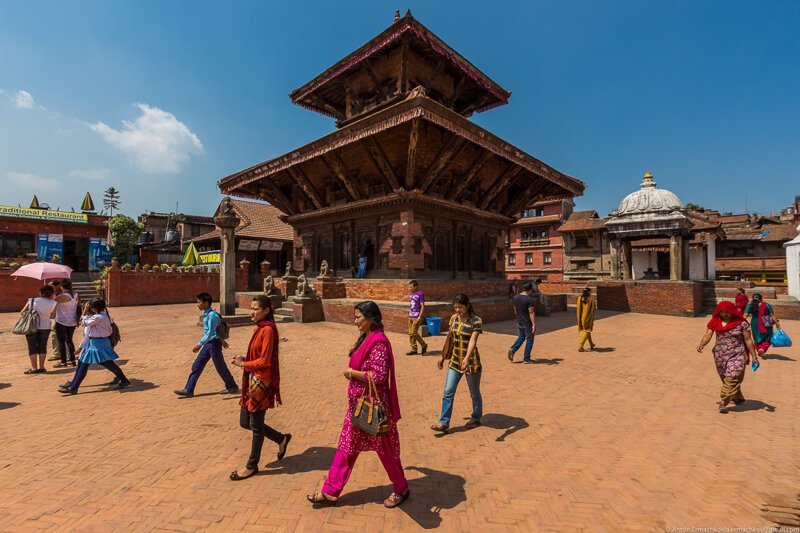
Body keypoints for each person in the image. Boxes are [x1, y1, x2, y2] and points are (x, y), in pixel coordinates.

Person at [307, 301, 408, 508]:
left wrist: (352, 374)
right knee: (346, 447)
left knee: (386, 451)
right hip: (358, 407)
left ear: (371, 318)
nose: (355, 322)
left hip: (373, 408)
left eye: (358, 317)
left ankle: (401, 487)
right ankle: (331, 491)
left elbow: (379, 376)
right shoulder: (366, 338)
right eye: (354, 317)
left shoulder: (378, 342)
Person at [229, 295, 291, 480]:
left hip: (261, 382)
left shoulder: (268, 330)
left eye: (255, 308)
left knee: (255, 426)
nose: (252, 312)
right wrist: (244, 360)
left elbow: (264, 361)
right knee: (245, 422)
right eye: (251, 308)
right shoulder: (260, 328)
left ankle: (251, 466)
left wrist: (243, 364)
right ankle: (281, 439)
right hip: (251, 379)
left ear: (266, 310)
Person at [431, 294, 483, 433]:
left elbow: (473, 341)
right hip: (454, 361)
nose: (457, 310)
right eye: (455, 307)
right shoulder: (454, 319)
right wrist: (443, 357)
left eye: (460, 307)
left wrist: (466, 358)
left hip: (471, 362)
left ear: (467, 306)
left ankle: (476, 417)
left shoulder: (476, 321)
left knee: (474, 393)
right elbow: (450, 338)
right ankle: (444, 423)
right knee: (448, 391)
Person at [58, 298, 131, 394]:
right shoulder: (106, 316)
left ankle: (74, 387)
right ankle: (73, 385)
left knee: (85, 363)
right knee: (98, 363)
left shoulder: (97, 317)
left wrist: (84, 311)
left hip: (97, 343)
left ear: (94, 308)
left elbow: (83, 322)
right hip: (101, 342)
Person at [697, 301, 758, 413]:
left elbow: (748, 340)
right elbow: (708, 334)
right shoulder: (715, 321)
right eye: (722, 312)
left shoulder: (742, 323)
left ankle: (723, 401)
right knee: (725, 377)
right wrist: (702, 344)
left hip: (737, 354)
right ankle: (738, 397)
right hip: (720, 354)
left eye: (727, 312)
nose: (725, 314)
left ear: (732, 311)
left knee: (733, 376)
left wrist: (754, 356)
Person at [174, 293, 239, 398]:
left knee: (220, 366)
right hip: (209, 344)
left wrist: (199, 345)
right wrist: (222, 341)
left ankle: (232, 386)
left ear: (206, 303)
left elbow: (210, 333)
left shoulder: (212, 315)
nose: (197, 305)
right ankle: (189, 389)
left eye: (199, 302)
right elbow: (214, 332)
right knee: (197, 365)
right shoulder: (206, 314)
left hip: (213, 345)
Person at [20, 285, 58, 374]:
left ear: (40, 293)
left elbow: (22, 312)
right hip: (45, 327)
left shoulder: (32, 300)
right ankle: (41, 367)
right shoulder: (53, 303)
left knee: (32, 347)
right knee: (42, 346)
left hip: (31, 327)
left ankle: (34, 368)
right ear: (52, 294)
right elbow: (53, 316)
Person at [53, 280, 80, 368]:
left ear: (61, 286)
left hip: (61, 321)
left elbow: (51, 303)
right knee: (69, 341)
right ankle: (72, 360)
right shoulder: (76, 295)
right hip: (72, 321)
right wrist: (78, 319)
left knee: (61, 341)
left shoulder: (62, 296)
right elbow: (79, 308)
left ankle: (63, 362)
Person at [507, 282, 536, 363]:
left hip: (519, 321)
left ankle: (513, 349)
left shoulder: (515, 297)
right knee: (529, 339)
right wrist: (533, 324)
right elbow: (531, 312)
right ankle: (526, 358)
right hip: (527, 322)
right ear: (529, 290)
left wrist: (518, 317)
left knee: (521, 337)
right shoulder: (529, 299)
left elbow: (515, 309)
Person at [407, 280, 428, 355]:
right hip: (411, 316)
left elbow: (422, 306)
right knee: (410, 333)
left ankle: (424, 345)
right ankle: (414, 349)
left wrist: (420, 316)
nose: (410, 288)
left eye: (411, 287)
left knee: (414, 332)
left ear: (416, 286)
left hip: (417, 316)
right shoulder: (411, 294)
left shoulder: (420, 294)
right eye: (409, 287)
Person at [576, 287, 597, 352]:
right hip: (588, 317)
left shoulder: (580, 298)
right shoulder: (591, 298)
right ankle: (581, 346)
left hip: (582, 317)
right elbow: (594, 308)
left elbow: (578, 308)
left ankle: (591, 344)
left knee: (587, 331)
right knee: (587, 331)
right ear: (589, 292)